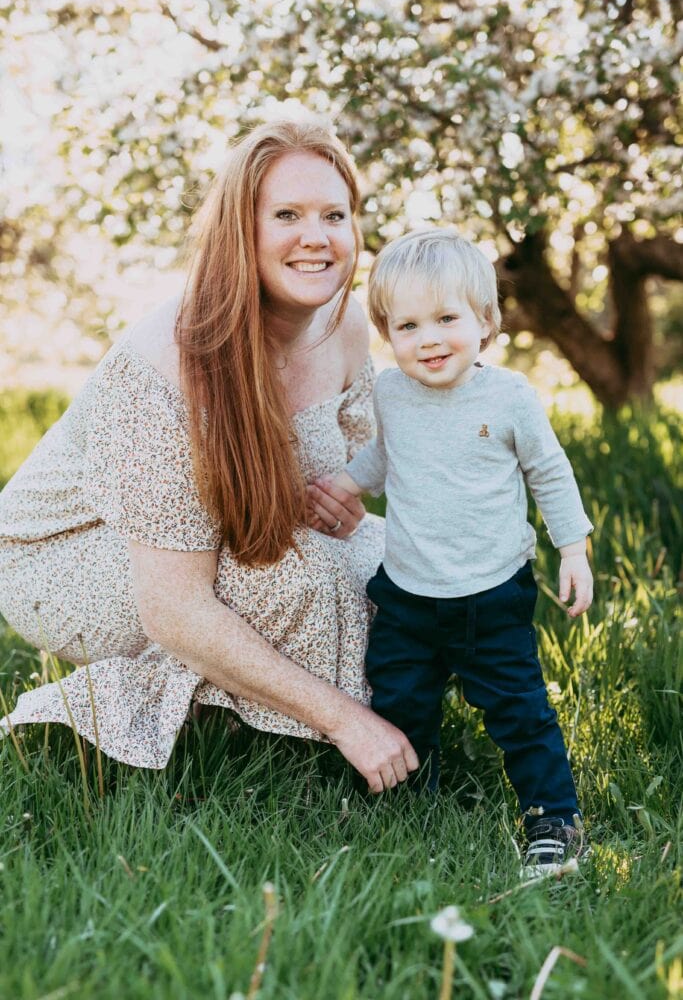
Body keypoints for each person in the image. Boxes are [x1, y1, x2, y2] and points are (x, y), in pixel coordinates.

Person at [0, 118, 419, 793]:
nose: (316, 237)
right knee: (295, 579)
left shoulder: (342, 323)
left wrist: (343, 496)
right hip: (65, 558)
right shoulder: (167, 363)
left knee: (398, 559)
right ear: (240, 228)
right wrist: (346, 721)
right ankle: (212, 735)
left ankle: (305, 716)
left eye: (333, 215)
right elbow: (173, 607)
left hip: (223, 531)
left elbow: (342, 461)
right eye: (286, 214)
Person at [311, 229, 594, 876]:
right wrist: (348, 482)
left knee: (517, 709)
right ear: (386, 333)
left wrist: (571, 548)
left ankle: (552, 816)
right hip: (408, 594)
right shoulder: (391, 393)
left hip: (491, 594)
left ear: (486, 322)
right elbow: (390, 457)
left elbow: (547, 472)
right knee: (401, 699)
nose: (429, 339)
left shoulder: (508, 398)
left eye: (446, 319)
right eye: (408, 325)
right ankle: (410, 804)